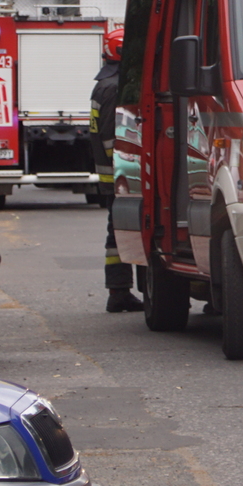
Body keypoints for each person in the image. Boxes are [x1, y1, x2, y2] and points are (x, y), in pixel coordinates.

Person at [92, 28, 141, 312]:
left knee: (117, 231)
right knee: (118, 232)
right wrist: (127, 166)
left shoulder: (105, 82)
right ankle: (119, 291)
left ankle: (119, 291)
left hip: (111, 172)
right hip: (118, 173)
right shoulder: (113, 87)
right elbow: (112, 137)